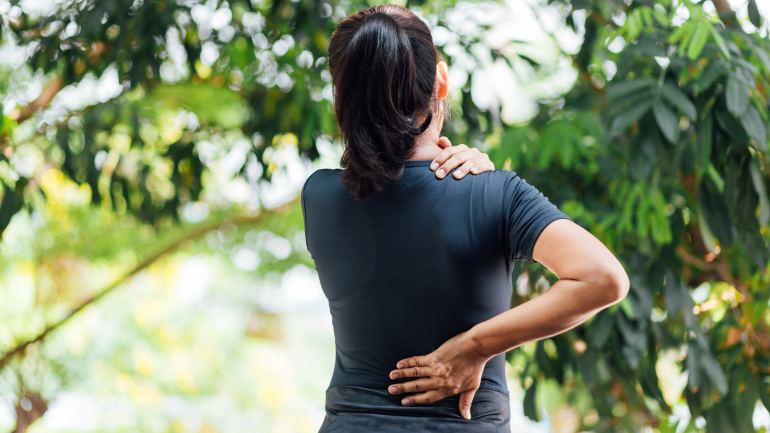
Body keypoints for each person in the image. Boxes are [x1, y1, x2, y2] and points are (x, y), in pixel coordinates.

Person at [301, 4, 630, 432]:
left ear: (341, 97)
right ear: (440, 81)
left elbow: (387, 183)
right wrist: (474, 347)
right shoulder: (494, 194)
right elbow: (603, 279)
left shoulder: (319, 195)